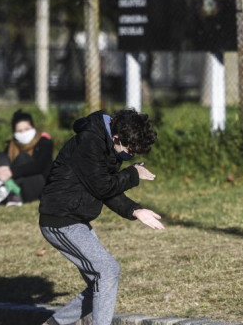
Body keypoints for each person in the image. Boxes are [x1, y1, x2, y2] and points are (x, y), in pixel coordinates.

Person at [39, 109, 163, 325]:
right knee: (108, 270)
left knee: (100, 284)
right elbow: (103, 186)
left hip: (76, 220)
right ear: (116, 137)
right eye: (129, 151)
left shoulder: (107, 144)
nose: (130, 156)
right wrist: (134, 174)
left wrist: (135, 210)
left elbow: (106, 189)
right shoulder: (89, 143)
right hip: (61, 220)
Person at [0, 109, 53, 206]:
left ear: (33, 128)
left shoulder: (44, 142)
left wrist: (12, 172)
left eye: (27, 129)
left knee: (22, 157)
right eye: (19, 131)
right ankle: (11, 193)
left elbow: (39, 165)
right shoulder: (13, 145)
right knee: (1, 156)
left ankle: (10, 193)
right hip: (20, 183)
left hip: (40, 184)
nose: (23, 133)